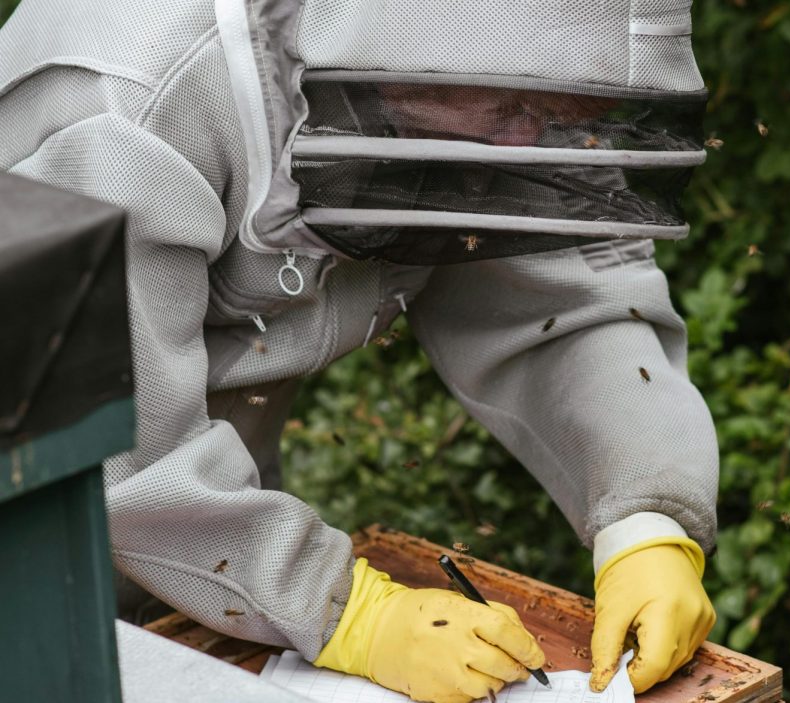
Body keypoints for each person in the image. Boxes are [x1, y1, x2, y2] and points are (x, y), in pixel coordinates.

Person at [0, 1, 719, 701]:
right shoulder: (133, 96)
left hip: (201, 556)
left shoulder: (452, 76)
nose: (518, 145)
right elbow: (115, 435)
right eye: (508, 109)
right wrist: (342, 609)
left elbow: (556, 296)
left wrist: (645, 516)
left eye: (552, 116)